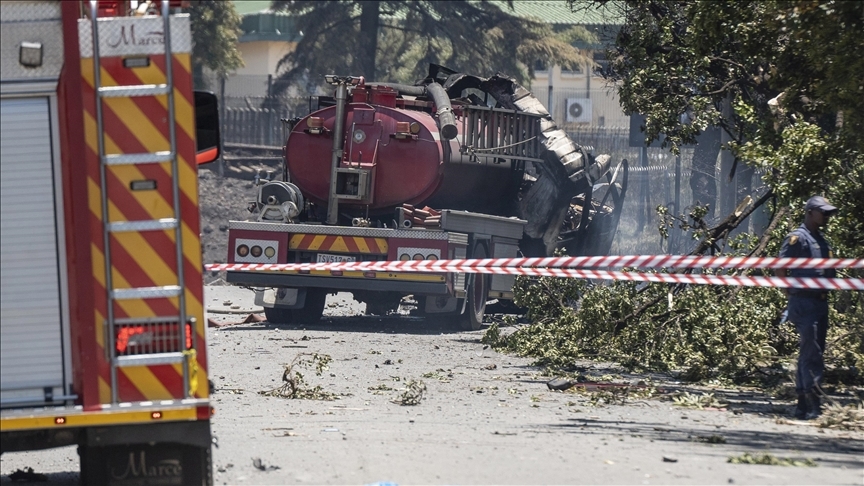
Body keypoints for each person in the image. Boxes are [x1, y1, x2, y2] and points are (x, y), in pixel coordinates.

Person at [776, 195, 837, 420]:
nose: (827, 217)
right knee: (813, 353)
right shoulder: (797, 238)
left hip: (820, 302)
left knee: (811, 351)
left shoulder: (820, 239)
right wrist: (791, 293)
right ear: (810, 212)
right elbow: (780, 269)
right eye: (824, 212)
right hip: (804, 301)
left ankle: (802, 403)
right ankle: (813, 404)